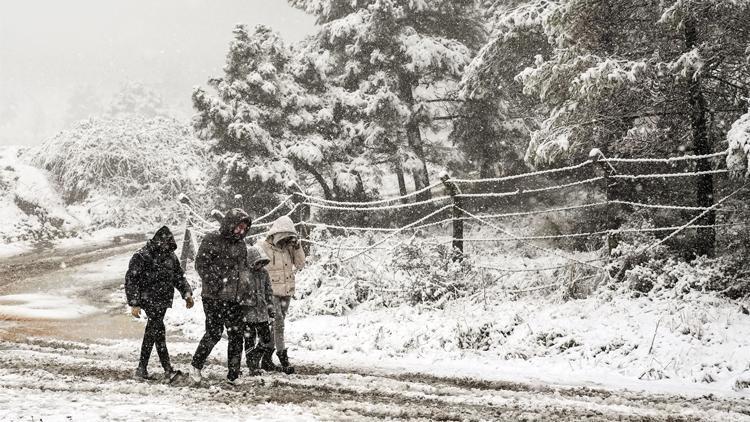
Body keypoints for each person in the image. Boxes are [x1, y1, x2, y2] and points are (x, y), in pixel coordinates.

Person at [189, 208, 252, 384]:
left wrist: (246, 290)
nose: (241, 231)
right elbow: (201, 264)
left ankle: (234, 374)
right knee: (214, 333)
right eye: (238, 227)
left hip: (234, 298)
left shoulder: (241, 246)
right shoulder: (212, 240)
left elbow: (243, 269)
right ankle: (195, 366)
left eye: (244, 229)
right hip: (213, 297)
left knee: (236, 335)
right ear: (230, 224)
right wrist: (216, 283)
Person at [125, 226, 194, 382]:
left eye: (169, 246)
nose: (166, 248)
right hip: (148, 299)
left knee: (153, 331)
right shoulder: (142, 256)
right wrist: (134, 303)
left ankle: (142, 369)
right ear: (158, 242)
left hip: (162, 300)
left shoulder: (171, 257)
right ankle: (167, 369)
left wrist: (187, 293)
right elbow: (132, 280)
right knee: (158, 330)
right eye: (164, 245)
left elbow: (179, 277)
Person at [258, 215, 305, 374]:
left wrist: (297, 247)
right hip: (270, 292)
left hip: (286, 292)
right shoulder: (263, 247)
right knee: (278, 324)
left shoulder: (290, 248)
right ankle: (283, 358)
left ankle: (266, 358)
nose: (285, 241)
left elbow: (300, 264)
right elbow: (254, 265)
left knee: (276, 326)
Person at [240, 245, 274, 375]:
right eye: (256, 263)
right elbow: (240, 293)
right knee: (249, 339)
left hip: (262, 312)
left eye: (261, 263)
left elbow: (269, 291)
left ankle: (255, 355)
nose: (259, 266)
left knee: (266, 337)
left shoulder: (264, 273)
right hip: (248, 313)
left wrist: (270, 308)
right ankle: (252, 365)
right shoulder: (244, 274)